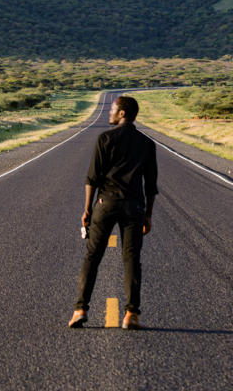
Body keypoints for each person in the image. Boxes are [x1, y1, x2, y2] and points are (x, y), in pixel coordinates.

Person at [69, 94, 158, 330]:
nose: (109, 113)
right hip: (134, 207)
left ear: (122, 113)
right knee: (132, 260)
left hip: (105, 204)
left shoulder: (105, 138)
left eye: (112, 109)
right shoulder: (147, 143)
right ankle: (131, 316)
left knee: (92, 256)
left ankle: (80, 309)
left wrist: (87, 210)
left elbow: (92, 178)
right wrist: (148, 214)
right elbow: (151, 185)